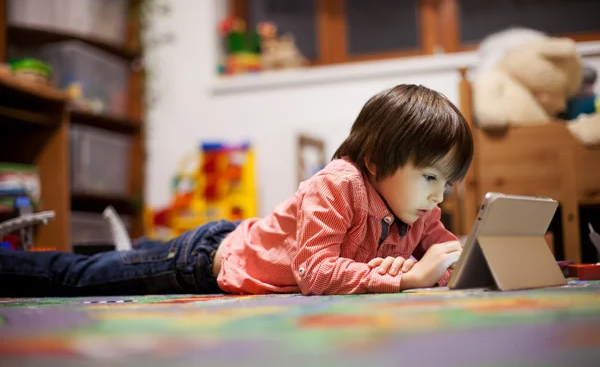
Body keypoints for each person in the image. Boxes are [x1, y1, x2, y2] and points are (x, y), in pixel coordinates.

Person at [0, 84, 473, 297]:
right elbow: (315, 273)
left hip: (233, 248)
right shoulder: (339, 184)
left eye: (446, 183)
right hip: (204, 262)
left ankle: (136, 248)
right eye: (431, 177)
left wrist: (458, 260)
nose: (440, 197)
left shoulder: (419, 208)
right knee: (79, 277)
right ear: (375, 161)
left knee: (132, 256)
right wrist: (405, 278)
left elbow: (447, 251)